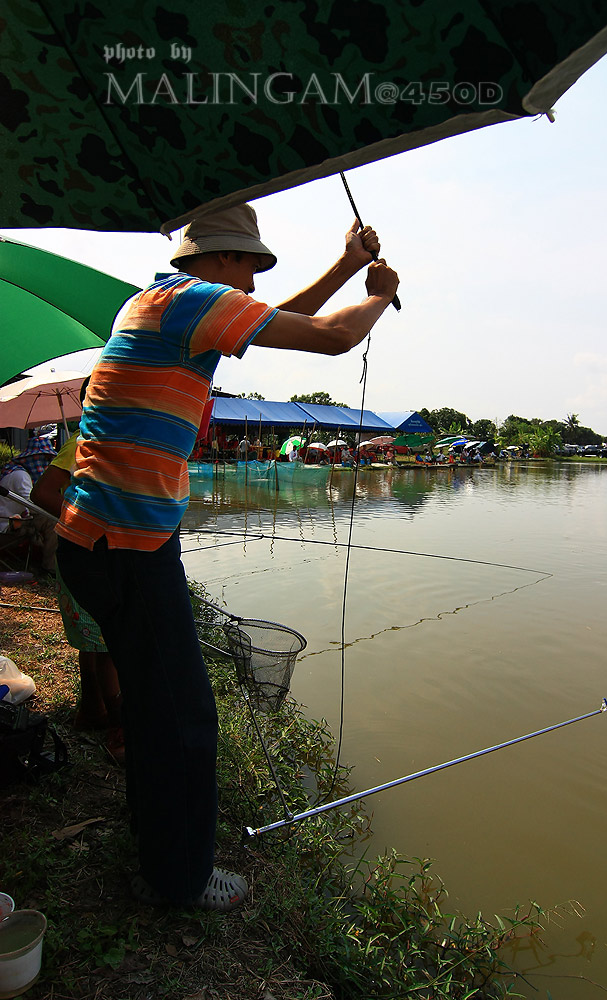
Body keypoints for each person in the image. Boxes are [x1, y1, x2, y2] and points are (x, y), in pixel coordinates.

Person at [55, 202, 399, 913]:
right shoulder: (195, 304)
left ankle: (157, 846)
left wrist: (342, 264)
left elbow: (279, 322)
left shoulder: (165, 304)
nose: (253, 278)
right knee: (182, 720)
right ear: (223, 260)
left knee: (157, 708)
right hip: (127, 546)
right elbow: (329, 339)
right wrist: (376, 295)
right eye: (250, 263)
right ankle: (179, 879)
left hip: (109, 538)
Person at [31, 380, 124, 765]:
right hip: (85, 555)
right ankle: (119, 732)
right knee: (109, 645)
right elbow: (43, 493)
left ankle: (92, 709)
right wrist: (88, 526)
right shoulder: (80, 444)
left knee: (93, 639)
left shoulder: (103, 442)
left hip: (89, 555)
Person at [0, 435, 58, 571]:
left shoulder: (15, 471)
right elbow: (34, 505)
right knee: (54, 522)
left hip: (13, 519)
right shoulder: (20, 476)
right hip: (7, 525)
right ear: (35, 458)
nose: (47, 464)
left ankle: (39, 562)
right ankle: (51, 568)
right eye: (45, 459)